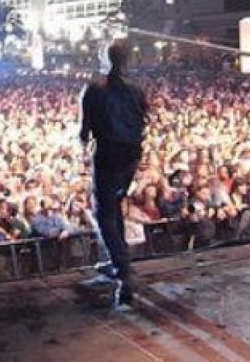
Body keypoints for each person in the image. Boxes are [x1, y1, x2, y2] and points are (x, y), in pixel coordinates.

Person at [78, 41, 148, 310]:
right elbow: (141, 125)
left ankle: (123, 272)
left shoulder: (95, 90)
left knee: (104, 212)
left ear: (104, 59)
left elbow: (85, 132)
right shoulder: (136, 91)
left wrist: (85, 147)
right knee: (114, 207)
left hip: (107, 155)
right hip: (130, 157)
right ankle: (117, 260)